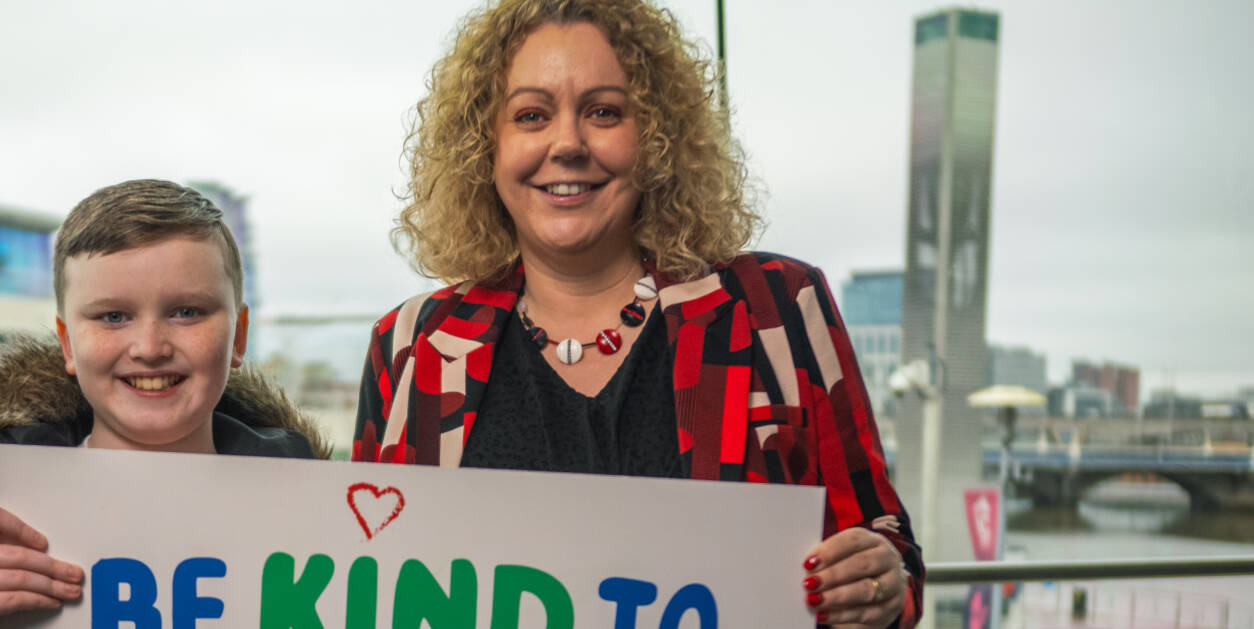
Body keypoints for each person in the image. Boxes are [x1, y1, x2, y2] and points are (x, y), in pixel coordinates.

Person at [351, 1, 922, 626]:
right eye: (531, 115)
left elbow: (886, 543)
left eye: (603, 112)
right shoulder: (413, 345)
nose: (566, 144)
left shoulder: (777, 310)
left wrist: (883, 583)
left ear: (657, 139)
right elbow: (370, 580)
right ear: (484, 147)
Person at [0, 179, 329, 629]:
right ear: (68, 345)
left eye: (187, 312)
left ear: (239, 335)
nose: (150, 346)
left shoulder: (320, 506)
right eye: (113, 316)